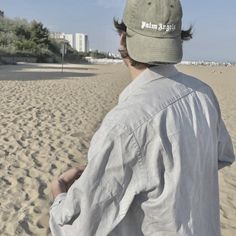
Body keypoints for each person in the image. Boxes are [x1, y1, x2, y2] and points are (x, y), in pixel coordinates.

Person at [49, 0, 235, 235]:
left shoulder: (124, 125)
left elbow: (76, 228)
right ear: (179, 39)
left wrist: (60, 194)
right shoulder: (203, 94)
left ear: (122, 38)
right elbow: (223, 155)